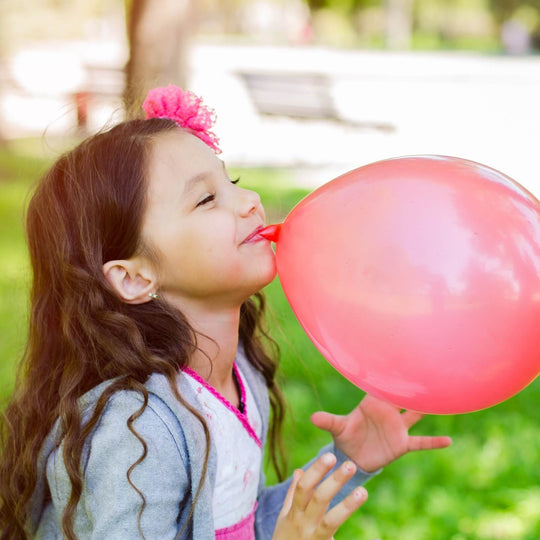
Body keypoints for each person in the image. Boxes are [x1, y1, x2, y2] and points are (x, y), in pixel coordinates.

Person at [0, 85, 451, 539]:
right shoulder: (135, 431)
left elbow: (236, 526)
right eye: (206, 199)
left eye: (230, 182)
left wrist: (350, 461)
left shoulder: (239, 377)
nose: (250, 200)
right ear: (134, 277)